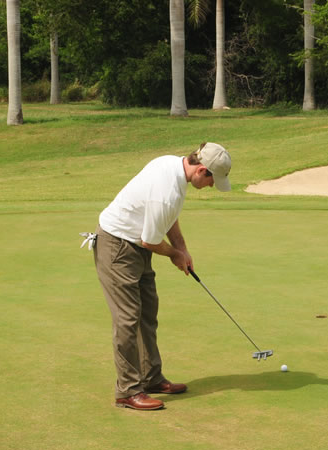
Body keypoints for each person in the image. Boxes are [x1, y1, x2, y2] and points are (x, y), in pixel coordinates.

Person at [92, 142, 232, 410]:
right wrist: (175, 255)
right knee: (127, 319)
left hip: (136, 245)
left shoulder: (173, 167)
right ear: (201, 170)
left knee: (148, 312)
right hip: (117, 246)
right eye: (213, 180)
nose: (212, 186)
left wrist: (182, 248)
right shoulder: (166, 191)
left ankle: (151, 378)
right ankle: (128, 391)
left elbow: (168, 218)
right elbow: (151, 240)